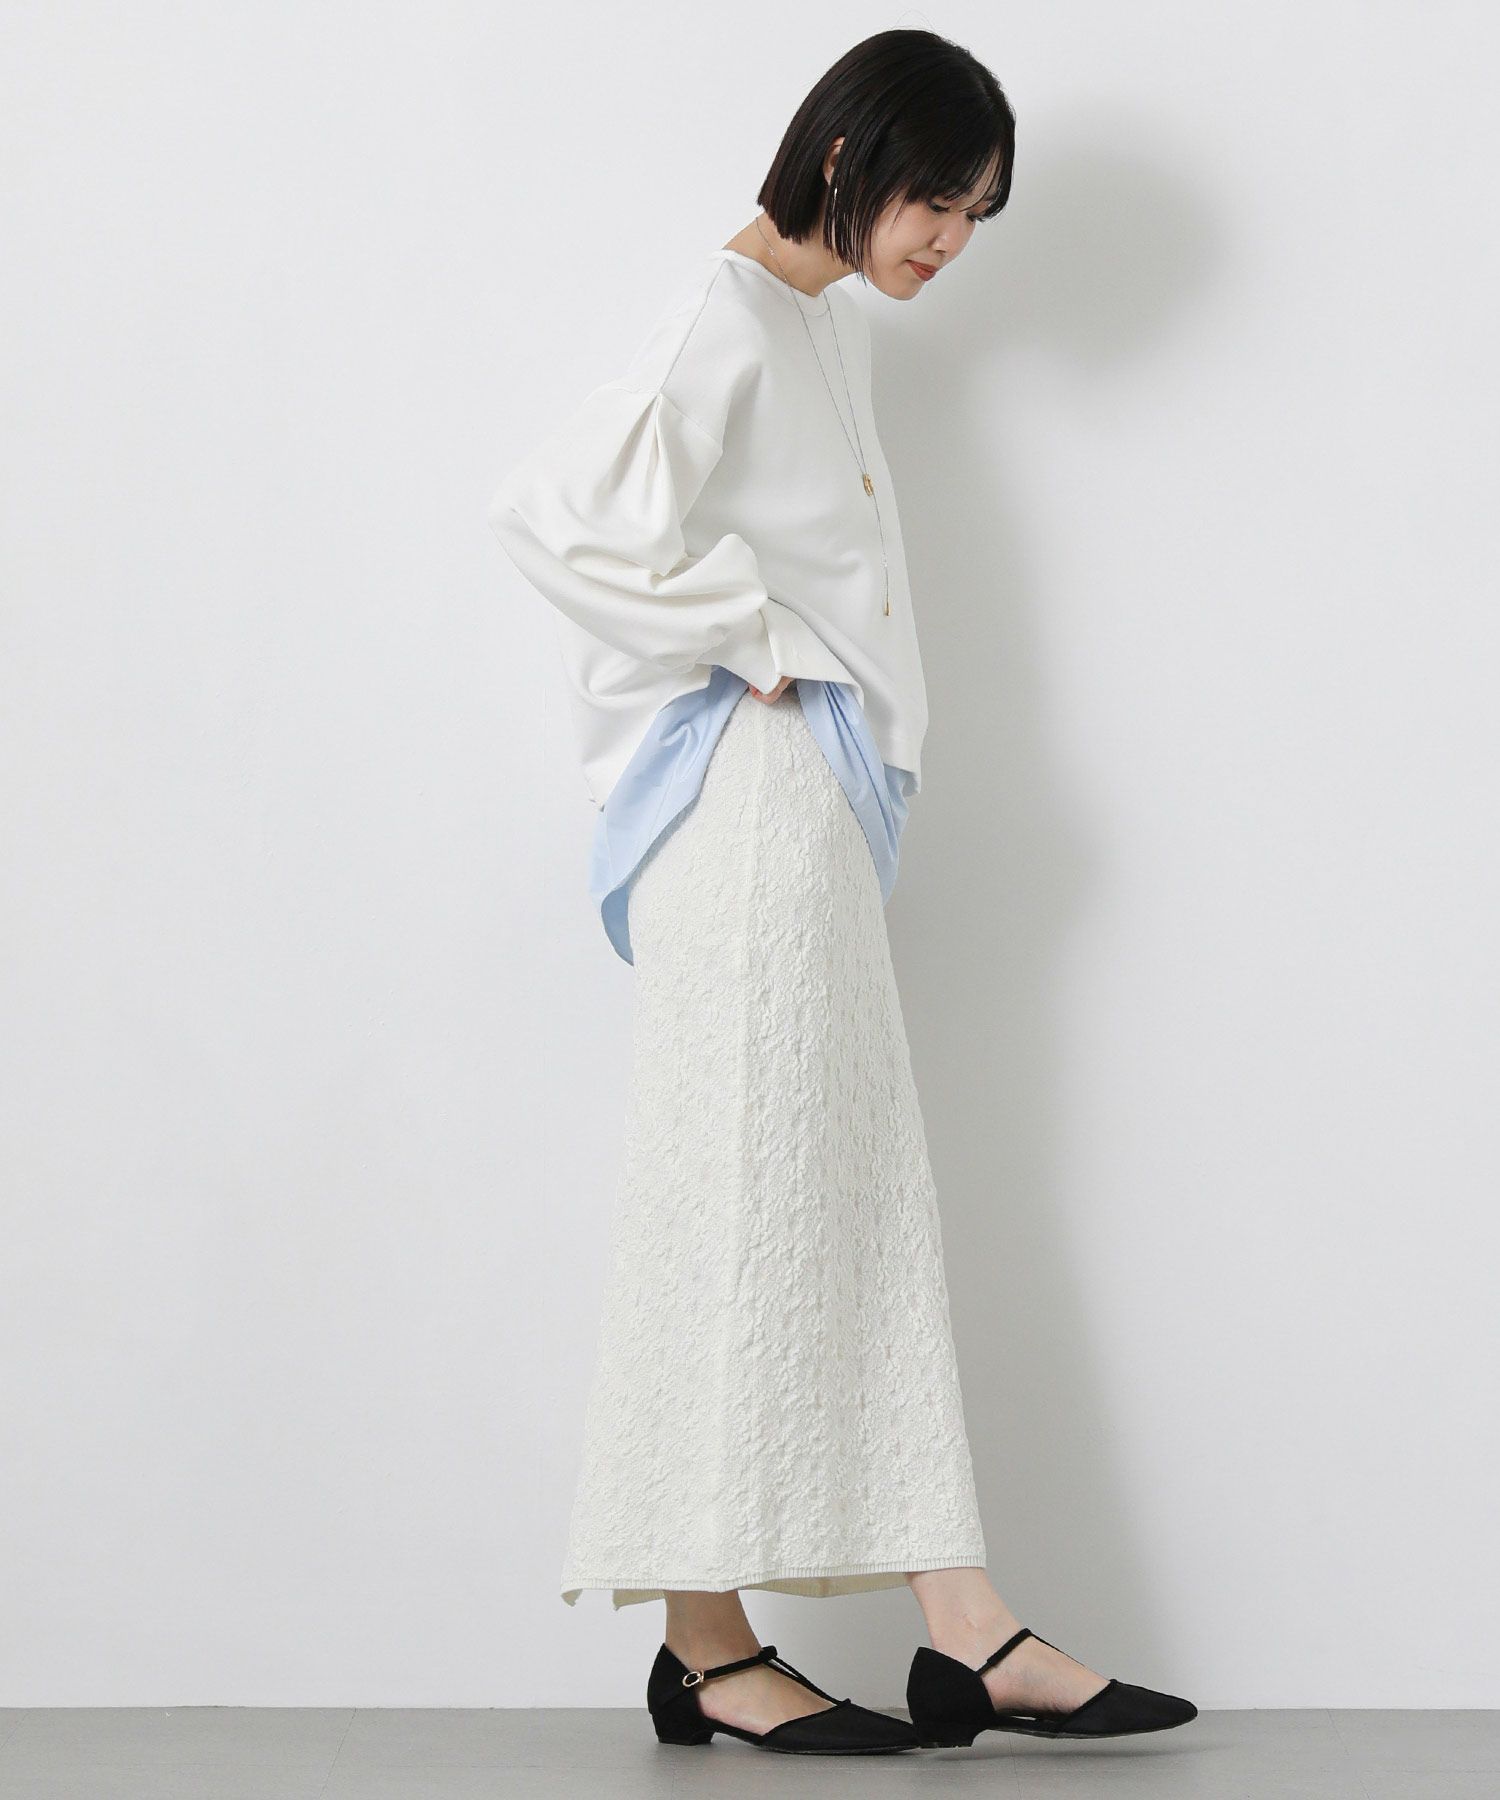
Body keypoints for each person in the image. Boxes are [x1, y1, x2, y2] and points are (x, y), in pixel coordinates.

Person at [487, 26, 1198, 1758]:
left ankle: (945, 1628)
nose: (952, 240)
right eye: (938, 199)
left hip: (810, 812)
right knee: (741, 1205)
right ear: (845, 157)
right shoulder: (722, 318)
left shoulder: (820, 325)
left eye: (977, 214)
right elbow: (552, 523)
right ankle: (741, 1644)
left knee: (835, 1201)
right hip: (744, 804)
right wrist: (752, 637)